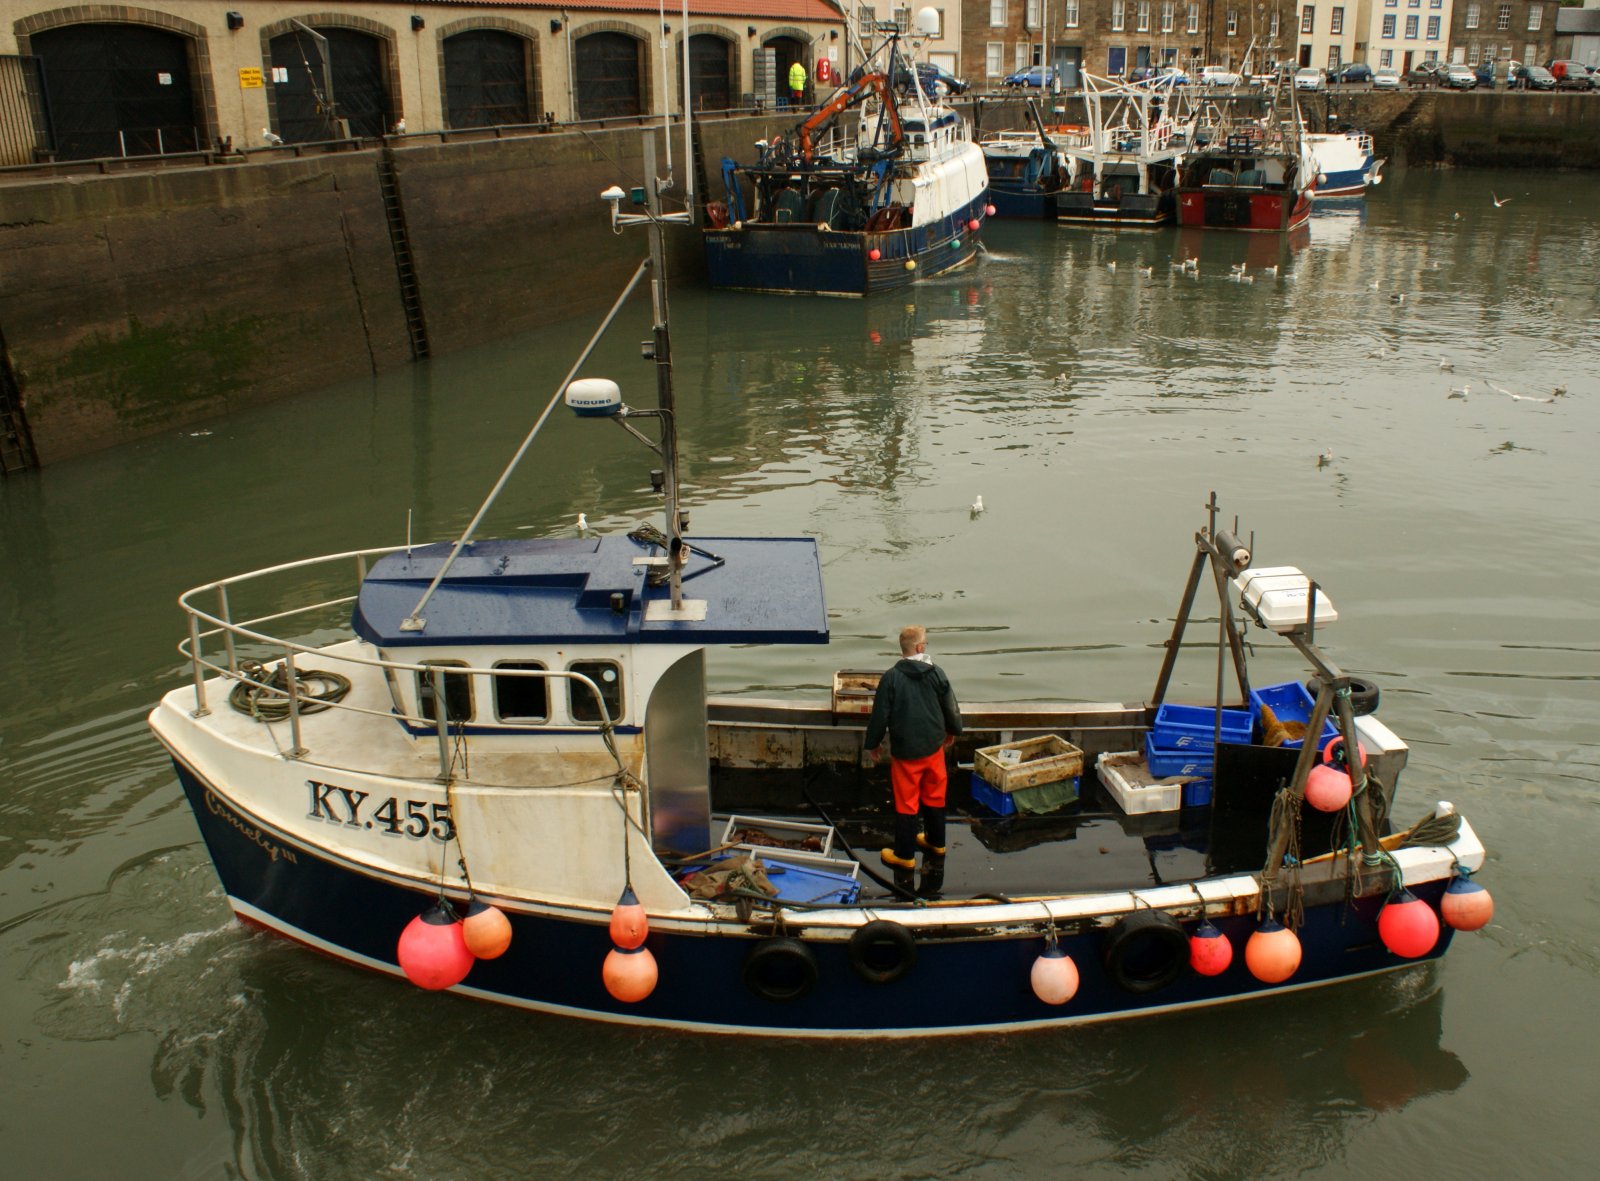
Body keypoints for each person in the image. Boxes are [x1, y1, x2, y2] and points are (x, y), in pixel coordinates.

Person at [864, 626, 963, 869]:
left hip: (906, 753)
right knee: (935, 794)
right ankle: (935, 842)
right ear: (919, 648)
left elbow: (880, 716)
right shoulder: (937, 673)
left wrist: (873, 744)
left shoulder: (891, 677)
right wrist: (953, 730)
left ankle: (905, 855)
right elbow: (950, 707)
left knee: (907, 801)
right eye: (925, 644)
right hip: (933, 748)